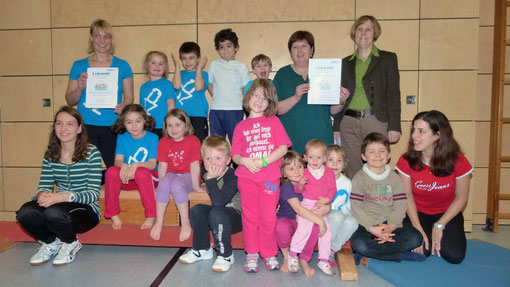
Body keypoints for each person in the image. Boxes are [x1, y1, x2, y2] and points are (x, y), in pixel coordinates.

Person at [16, 106, 102, 266]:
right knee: (25, 212)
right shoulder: (50, 154)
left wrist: (65, 196)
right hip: (59, 204)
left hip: (86, 210)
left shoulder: (92, 152)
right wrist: (41, 195)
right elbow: (43, 185)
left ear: (79, 129)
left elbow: (93, 194)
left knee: (53, 213)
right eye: (59, 123)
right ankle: (50, 242)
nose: (63, 128)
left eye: (70, 124)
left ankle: (70, 243)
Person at [396, 110, 473, 264]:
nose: (414, 136)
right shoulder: (406, 160)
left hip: (446, 212)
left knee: (454, 256)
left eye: (421, 132)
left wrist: (440, 225)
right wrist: (417, 227)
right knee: (422, 252)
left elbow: (461, 198)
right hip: (417, 212)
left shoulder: (459, 161)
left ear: (437, 136)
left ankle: (437, 231)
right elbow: (407, 196)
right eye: (413, 130)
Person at [231, 78, 291, 272]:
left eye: (264, 98)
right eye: (256, 95)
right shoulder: (240, 127)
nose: (259, 101)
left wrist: (264, 161)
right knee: (250, 217)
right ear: (248, 97)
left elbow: (282, 148)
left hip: (270, 180)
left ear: (270, 103)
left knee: (268, 218)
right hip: (247, 180)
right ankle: (252, 253)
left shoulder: (273, 121)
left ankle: (269, 253)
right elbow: (235, 155)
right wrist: (246, 161)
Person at [333, 15, 401, 179]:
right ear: (354, 33)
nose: (363, 33)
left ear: (374, 33)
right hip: (348, 122)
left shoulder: (387, 59)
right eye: (359, 29)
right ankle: (356, 203)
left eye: (368, 29)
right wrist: (336, 126)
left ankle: (377, 204)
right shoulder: (344, 63)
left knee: (376, 166)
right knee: (351, 169)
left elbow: (393, 93)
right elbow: (338, 97)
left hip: (375, 120)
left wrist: (394, 126)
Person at [65, 19, 134, 170]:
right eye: (98, 36)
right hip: (85, 126)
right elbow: (70, 100)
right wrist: (80, 88)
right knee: (84, 171)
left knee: (115, 170)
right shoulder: (79, 65)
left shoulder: (123, 65)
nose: (102, 41)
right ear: (91, 38)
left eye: (106, 36)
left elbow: (130, 97)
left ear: (111, 39)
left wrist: (125, 106)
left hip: (113, 125)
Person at [350, 133, 424, 263]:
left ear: (389, 155)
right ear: (364, 156)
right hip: (367, 224)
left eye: (382, 151)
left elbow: (401, 204)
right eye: (372, 152)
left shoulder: (394, 178)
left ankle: (370, 252)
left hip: (390, 222)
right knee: (358, 244)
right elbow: (356, 206)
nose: (377, 155)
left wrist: (392, 226)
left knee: (416, 239)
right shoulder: (359, 178)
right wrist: (371, 227)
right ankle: (399, 255)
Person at [273, 30, 349, 155]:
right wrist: (295, 97)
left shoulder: (325, 71)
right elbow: (276, 109)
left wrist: (341, 100)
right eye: (295, 47)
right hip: (291, 138)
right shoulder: (282, 74)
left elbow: (332, 111)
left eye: (304, 46)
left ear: (312, 50)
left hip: (320, 137)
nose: (299, 50)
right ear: (290, 52)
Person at [179, 135, 242, 272]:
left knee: (217, 212)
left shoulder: (233, 176)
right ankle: (203, 249)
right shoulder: (207, 173)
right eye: (208, 158)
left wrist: (211, 180)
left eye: (218, 158)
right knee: (197, 210)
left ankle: (226, 255)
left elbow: (219, 202)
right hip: (218, 216)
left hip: (237, 217)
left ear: (228, 160)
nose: (212, 162)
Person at [104, 104, 159, 230]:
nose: (134, 126)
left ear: (145, 120)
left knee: (140, 172)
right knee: (111, 172)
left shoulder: (152, 137)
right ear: (123, 123)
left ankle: (151, 215)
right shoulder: (122, 137)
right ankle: (112, 213)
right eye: (129, 122)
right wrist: (123, 165)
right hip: (127, 178)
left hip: (148, 179)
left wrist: (136, 165)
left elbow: (152, 164)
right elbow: (117, 160)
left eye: (138, 121)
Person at [150, 109, 202, 242]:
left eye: (177, 125)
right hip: (172, 174)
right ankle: (159, 220)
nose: (173, 129)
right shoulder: (163, 141)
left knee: (177, 185)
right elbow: (162, 166)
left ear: (186, 125)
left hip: (189, 175)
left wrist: (196, 187)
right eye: (169, 125)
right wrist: (161, 186)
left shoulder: (193, 140)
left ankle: (185, 222)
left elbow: (195, 165)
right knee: (166, 183)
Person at [288, 139, 336, 275]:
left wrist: (328, 199)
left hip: (321, 207)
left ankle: (323, 260)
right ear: (305, 158)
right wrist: (301, 184)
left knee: (326, 231)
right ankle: (293, 255)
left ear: (325, 158)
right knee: (304, 228)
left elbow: (333, 189)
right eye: (311, 157)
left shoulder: (329, 172)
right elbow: (298, 190)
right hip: (307, 205)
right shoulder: (304, 171)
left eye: (319, 157)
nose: (315, 160)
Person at [276, 151, 325, 276]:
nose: (296, 171)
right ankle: (286, 256)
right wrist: (320, 221)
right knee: (281, 227)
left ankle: (304, 258)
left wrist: (326, 207)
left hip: (302, 221)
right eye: (291, 168)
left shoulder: (309, 183)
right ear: (284, 173)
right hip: (288, 219)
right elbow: (298, 209)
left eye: (299, 166)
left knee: (315, 228)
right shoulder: (287, 186)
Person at [207, 28, 250, 142]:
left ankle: (237, 161)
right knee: (216, 143)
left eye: (229, 46)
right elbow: (209, 83)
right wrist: (216, 96)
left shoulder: (242, 67)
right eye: (221, 47)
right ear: (217, 50)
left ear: (236, 47)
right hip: (216, 110)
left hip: (235, 110)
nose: (225, 50)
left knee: (236, 142)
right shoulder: (214, 65)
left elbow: (245, 90)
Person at [324, 145, 358, 263]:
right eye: (331, 160)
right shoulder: (321, 180)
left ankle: (333, 249)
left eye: (339, 161)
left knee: (353, 222)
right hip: (326, 214)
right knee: (337, 216)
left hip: (340, 213)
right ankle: (325, 247)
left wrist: (347, 216)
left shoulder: (347, 182)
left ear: (343, 165)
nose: (335, 164)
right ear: (324, 162)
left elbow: (346, 204)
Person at [172, 42, 209, 142]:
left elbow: (198, 87)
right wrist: (177, 67)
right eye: (184, 58)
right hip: (180, 116)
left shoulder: (203, 74)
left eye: (191, 58)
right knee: (181, 144)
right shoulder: (179, 73)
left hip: (198, 115)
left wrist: (199, 68)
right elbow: (176, 86)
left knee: (199, 144)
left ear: (198, 58)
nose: (187, 62)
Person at [140, 51, 175, 138]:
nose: (157, 66)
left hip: (162, 126)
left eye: (161, 63)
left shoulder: (167, 84)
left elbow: (171, 105)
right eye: (153, 63)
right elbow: (142, 108)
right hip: (147, 127)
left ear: (165, 67)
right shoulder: (143, 87)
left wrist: (168, 123)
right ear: (147, 65)